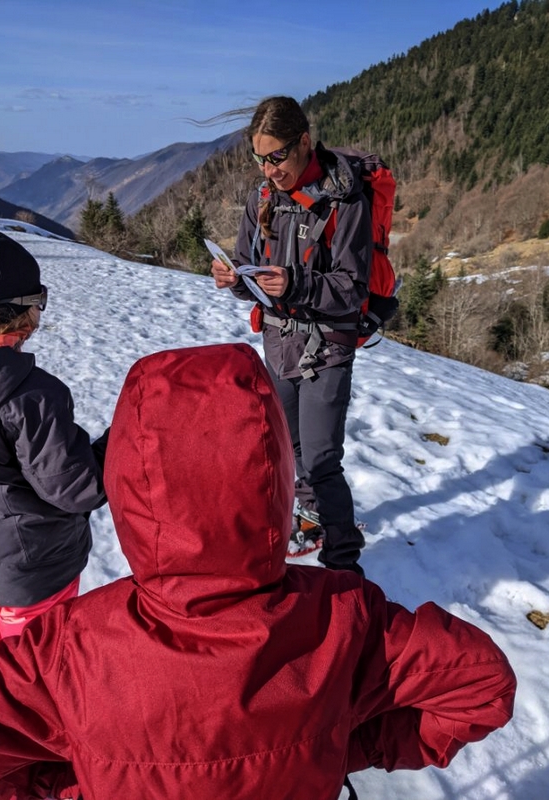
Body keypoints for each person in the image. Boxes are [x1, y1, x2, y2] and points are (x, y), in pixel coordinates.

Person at [0, 343, 516, 800]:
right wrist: (338, 749)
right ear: (277, 479)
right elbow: (481, 685)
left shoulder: (67, 649)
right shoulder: (345, 617)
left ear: (129, 482)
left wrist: (81, 781)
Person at [211, 96, 370, 575]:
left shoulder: (346, 198)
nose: (268, 169)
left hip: (327, 347)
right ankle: (311, 512)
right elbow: (252, 269)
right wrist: (238, 278)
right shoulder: (262, 198)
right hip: (279, 341)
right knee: (287, 443)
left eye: (277, 156)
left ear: (304, 141)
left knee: (322, 460)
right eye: (259, 158)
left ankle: (345, 569)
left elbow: (352, 289)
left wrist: (296, 283)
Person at [0, 229, 108, 653]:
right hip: (32, 577)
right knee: (34, 683)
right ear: (15, 316)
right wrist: (118, 444)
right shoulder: (31, 394)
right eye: (38, 303)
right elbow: (75, 490)